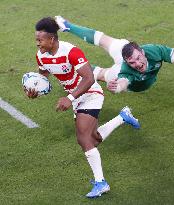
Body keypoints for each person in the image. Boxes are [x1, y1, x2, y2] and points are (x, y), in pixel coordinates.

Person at [24, 17, 140, 198]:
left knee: (83, 139)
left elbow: (89, 78)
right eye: (36, 40)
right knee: (92, 140)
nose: (37, 43)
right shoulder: (41, 56)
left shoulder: (71, 52)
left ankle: (101, 183)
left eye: (40, 40)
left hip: (90, 93)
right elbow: (44, 77)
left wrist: (69, 98)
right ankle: (122, 117)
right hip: (77, 97)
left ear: (52, 39)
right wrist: (36, 91)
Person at [55, 16, 174, 96]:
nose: (138, 64)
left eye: (138, 58)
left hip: (131, 59)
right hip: (124, 77)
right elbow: (123, 83)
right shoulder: (126, 69)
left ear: (143, 52)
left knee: (107, 40)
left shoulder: (154, 51)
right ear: (126, 62)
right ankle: (69, 61)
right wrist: (116, 87)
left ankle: (67, 26)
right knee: (104, 74)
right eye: (132, 62)